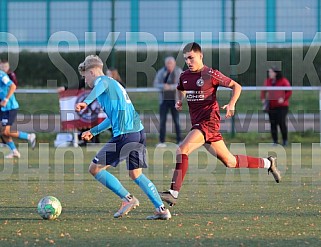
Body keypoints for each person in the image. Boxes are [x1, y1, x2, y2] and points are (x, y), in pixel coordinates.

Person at [159, 42, 281, 207]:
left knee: (182, 149)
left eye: (191, 58)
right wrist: (180, 101)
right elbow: (181, 88)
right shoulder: (184, 75)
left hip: (208, 122)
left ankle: (173, 193)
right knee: (230, 162)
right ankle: (268, 162)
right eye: (186, 59)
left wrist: (232, 104)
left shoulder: (211, 74)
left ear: (200, 56)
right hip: (199, 124)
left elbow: (236, 86)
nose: (188, 62)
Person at [75, 55, 171, 220]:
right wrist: (94, 131)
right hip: (138, 133)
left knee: (95, 168)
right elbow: (111, 118)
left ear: (91, 72)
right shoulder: (114, 84)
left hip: (125, 135)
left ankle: (128, 199)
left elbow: (100, 84)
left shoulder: (103, 82)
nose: (85, 81)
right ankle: (162, 209)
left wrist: (87, 101)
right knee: (136, 174)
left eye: (85, 77)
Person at [0, 69, 36, 158]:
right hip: (3, 108)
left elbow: (13, 86)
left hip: (10, 107)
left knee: (6, 131)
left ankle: (29, 136)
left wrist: (6, 99)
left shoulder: (1, 75)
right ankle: (14, 151)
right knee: (2, 132)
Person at [58, 77, 100, 144]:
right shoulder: (84, 80)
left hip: (95, 107)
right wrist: (65, 88)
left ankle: (94, 139)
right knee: (85, 123)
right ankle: (85, 139)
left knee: (95, 123)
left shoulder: (98, 80)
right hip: (87, 107)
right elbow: (76, 86)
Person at [153, 56, 182, 147]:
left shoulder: (178, 72)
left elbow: (182, 84)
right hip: (164, 101)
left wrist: (171, 87)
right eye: (168, 63)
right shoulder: (161, 72)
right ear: (165, 64)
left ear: (174, 64)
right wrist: (163, 86)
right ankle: (162, 141)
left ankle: (179, 141)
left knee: (177, 121)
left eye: (171, 63)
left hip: (175, 100)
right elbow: (156, 84)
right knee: (162, 121)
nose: (169, 65)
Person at [261, 67, 292, 146]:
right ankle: (275, 141)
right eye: (269, 72)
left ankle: (285, 140)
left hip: (282, 106)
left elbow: (289, 91)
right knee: (273, 123)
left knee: (281, 122)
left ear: (276, 73)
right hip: (272, 106)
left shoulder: (283, 81)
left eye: (271, 72)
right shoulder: (268, 81)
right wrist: (263, 99)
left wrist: (283, 98)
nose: (270, 74)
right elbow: (263, 91)